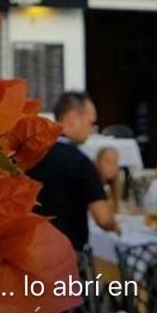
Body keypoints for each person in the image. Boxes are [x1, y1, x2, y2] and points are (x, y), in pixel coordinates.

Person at [28, 91, 118, 250]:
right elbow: (103, 218)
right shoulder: (80, 162)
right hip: (66, 255)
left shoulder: (29, 154)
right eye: (90, 123)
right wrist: (116, 226)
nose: (91, 130)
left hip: (29, 250)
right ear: (72, 118)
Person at [95, 146, 121, 214]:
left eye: (115, 162)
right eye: (108, 161)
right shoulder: (91, 186)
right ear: (97, 163)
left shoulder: (112, 186)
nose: (112, 166)